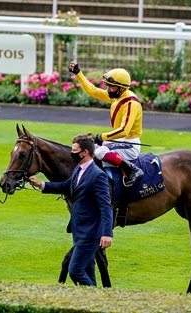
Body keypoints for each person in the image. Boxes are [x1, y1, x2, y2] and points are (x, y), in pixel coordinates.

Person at [28, 134, 113, 287]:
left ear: (85, 152)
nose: (71, 153)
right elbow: (66, 186)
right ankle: (93, 304)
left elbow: (105, 206)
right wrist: (42, 185)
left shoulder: (98, 175)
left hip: (90, 233)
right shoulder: (78, 170)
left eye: (74, 150)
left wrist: (107, 233)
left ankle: (99, 299)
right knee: (87, 272)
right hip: (78, 230)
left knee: (75, 271)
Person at [68, 60, 144, 187]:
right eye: (107, 86)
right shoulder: (116, 95)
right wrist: (78, 73)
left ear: (121, 88)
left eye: (111, 87)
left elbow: (124, 130)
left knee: (99, 152)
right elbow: (93, 91)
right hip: (119, 140)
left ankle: (131, 170)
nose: (108, 89)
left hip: (130, 144)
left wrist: (101, 137)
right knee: (91, 149)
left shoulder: (131, 103)